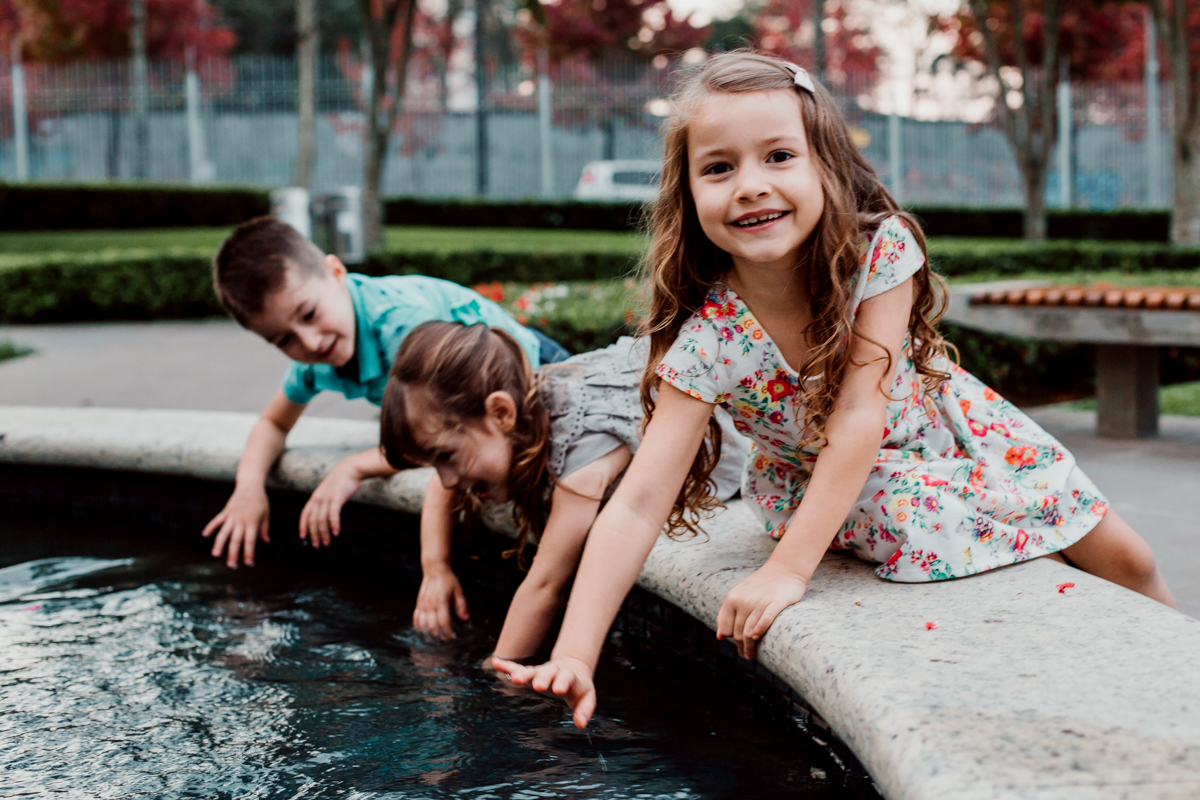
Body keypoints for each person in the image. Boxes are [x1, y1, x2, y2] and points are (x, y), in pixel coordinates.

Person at [494, 51, 1176, 728]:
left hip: (955, 429)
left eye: (779, 156)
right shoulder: (712, 336)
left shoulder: (879, 254)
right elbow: (639, 501)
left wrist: (786, 572)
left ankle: (1180, 692)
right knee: (1009, 557)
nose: (751, 184)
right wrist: (578, 654)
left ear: (825, 165)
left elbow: (860, 411)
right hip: (855, 481)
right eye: (719, 167)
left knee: (1129, 559)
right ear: (687, 194)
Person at [201, 217, 570, 568]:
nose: (309, 342)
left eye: (310, 314)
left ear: (335, 273)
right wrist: (248, 488)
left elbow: (433, 437)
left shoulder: (402, 328)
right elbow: (273, 423)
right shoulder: (315, 357)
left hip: (538, 372)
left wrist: (354, 467)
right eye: (283, 340)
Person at [377, 321, 749, 660]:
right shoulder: (509, 409)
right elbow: (444, 482)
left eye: (446, 457)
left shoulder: (581, 457)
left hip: (730, 434)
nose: (447, 481)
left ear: (501, 414)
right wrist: (435, 567)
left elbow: (546, 585)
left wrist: (499, 674)